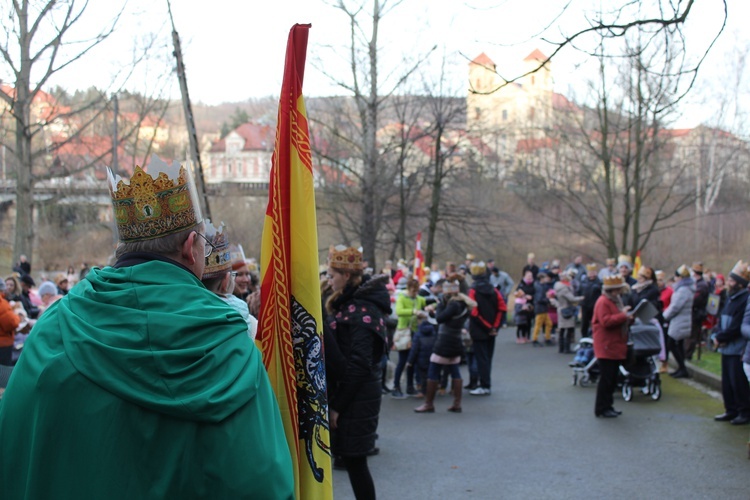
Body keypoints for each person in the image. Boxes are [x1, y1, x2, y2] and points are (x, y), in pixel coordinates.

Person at [0, 160, 294, 498]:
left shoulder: (53, 329)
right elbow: (261, 480)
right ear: (190, 247)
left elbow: (14, 446)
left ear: (121, 248)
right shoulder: (230, 344)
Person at [324, 245, 390, 500]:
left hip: (358, 396)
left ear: (347, 276)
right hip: (355, 393)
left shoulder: (363, 309)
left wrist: (338, 406)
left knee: (355, 462)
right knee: (352, 461)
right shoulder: (349, 302)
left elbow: (360, 363)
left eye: (332, 275)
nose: (328, 280)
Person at [414, 276, 475, 413]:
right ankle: (457, 403)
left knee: (433, 369)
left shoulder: (453, 305)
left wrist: (440, 304)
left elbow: (440, 318)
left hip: (445, 341)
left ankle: (429, 403)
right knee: (454, 370)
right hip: (456, 340)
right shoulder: (463, 304)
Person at [200, 221, 258, 341]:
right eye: (239, 274)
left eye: (247, 274)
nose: (246, 279)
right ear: (227, 279)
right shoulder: (248, 322)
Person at [711, 261, 750, 426]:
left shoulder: (744, 300)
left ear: (741, 284)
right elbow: (721, 318)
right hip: (725, 346)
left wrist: (722, 337)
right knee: (727, 381)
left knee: (738, 382)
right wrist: (717, 333)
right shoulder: (729, 298)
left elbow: (737, 325)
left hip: (736, 347)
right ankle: (730, 409)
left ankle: (744, 411)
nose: (729, 283)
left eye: (732, 281)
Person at [592, 275, 633, 418]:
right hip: (606, 345)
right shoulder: (603, 302)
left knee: (612, 378)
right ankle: (602, 408)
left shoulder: (614, 301)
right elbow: (606, 322)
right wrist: (623, 316)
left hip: (613, 344)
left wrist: (627, 318)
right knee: (606, 379)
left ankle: (608, 406)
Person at [467, 261, 507, 396]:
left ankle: (484, 385)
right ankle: (485, 383)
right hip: (492, 331)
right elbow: (502, 308)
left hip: (479, 330)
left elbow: (474, 312)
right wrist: (495, 327)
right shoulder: (494, 290)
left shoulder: (473, 291)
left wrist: (488, 327)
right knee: (487, 358)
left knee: (481, 358)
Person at [391, 279, 427, 398]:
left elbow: (429, 303)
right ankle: (396, 387)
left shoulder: (419, 299)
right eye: (413, 291)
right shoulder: (402, 297)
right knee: (402, 361)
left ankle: (410, 387)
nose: (415, 293)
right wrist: (414, 311)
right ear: (408, 288)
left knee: (412, 361)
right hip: (404, 332)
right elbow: (399, 311)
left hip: (414, 332)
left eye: (417, 291)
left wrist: (430, 307)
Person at [662, 265, 694, 379]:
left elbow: (675, 306)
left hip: (679, 321)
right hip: (681, 320)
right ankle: (681, 368)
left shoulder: (683, 290)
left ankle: (682, 367)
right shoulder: (685, 289)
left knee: (672, 343)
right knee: (678, 345)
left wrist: (665, 316)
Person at [553, 270, 584, 354]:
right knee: (569, 329)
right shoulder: (564, 288)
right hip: (567, 309)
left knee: (562, 330)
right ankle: (567, 348)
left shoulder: (557, 287)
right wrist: (581, 298)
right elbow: (572, 299)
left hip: (560, 309)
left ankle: (561, 348)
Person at [686, 262, 710, 360]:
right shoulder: (696, 283)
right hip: (692, 313)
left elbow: (695, 299)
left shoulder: (702, 285)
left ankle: (687, 355)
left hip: (696, 314)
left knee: (692, 337)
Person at [0, 280, 21, 366]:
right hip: (3, 345)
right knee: (4, 373)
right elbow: (12, 323)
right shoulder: (2, 303)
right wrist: (17, 316)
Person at [531, 271, 555, 346]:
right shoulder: (539, 287)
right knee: (538, 325)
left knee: (549, 323)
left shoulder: (542, 286)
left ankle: (547, 338)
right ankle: (534, 339)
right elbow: (539, 299)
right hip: (540, 309)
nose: (546, 279)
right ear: (541, 278)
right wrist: (548, 300)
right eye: (545, 278)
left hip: (544, 309)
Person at [579, 264, 602, 338]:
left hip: (595, 306)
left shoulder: (599, 282)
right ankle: (584, 337)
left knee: (595, 322)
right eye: (590, 272)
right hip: (585, 306)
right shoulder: (583, 282)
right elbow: (579, 292)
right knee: (584, 323)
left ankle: (595, 336)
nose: (591, 274)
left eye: (593, 272)